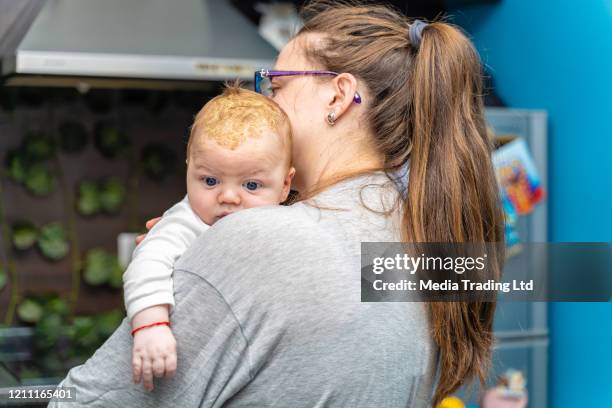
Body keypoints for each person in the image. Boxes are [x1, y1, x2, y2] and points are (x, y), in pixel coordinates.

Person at [49, 1, 504, 407]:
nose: (264, 103)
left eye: (276, 85)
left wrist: (217, 260)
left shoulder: (265, 240)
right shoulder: (430, 237)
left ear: (338, 96)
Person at [122, 84, 295, 391]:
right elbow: (148, 262)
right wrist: (150, 324)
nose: (228, 197)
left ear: (285, 186)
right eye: (210, 180)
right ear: (189, 169)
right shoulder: (185, 222)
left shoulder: (292, 220)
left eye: (252, 186)